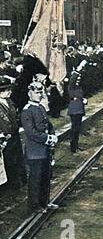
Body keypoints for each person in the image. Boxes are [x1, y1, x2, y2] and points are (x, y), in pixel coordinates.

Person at [21, 82, 59, 213]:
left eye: (40, 92)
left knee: (45, 177)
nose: (38, 95)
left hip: (45, 150)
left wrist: (53, 135)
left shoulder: (41, 108)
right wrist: (48, 139)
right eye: (36, 92)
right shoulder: (27, 111)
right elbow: (31, 133)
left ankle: (44, 202)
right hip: (35, 151)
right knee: (35, 179)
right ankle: (34, 206)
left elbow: (48, 125)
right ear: (29, 93)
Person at [0, 78, 27, 189]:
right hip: (4, 137)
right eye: (7, 90)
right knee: (8, 161)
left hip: (14, 135)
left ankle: (19, 182)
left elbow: (16, 116)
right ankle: (11, 184)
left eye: (10, 89)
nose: (9, 92)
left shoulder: (10, 102)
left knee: (17, 158)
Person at [68, 60, 88, 153]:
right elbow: (73, 79)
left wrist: (83, 100)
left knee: (77, 129)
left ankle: (75, 145)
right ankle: (73, 147)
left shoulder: (78, 88)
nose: (79, 80)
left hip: (79, 108)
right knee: (74, 129)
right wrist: (79, 68)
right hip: (74, 109)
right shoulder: (72, 86)